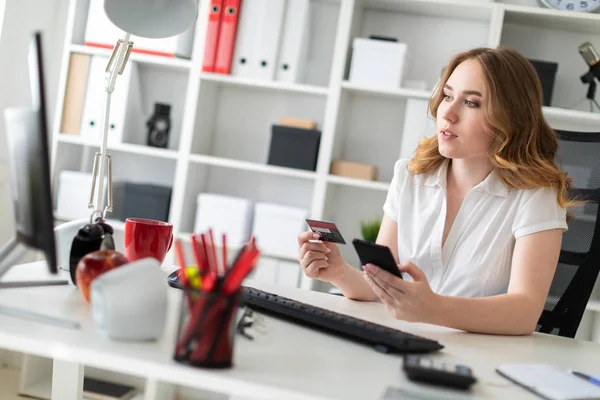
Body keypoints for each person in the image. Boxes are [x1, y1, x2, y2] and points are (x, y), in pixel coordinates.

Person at [297, 47, 577, 336]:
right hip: (402, 339)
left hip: (481, 357)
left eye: (471, 102)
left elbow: (524, 313)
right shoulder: (410, 175)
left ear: (511, 118)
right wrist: (338, 272)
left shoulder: (537, 194)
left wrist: (433, 309)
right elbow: (380, 284)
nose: (448, 113)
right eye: (447, 96)